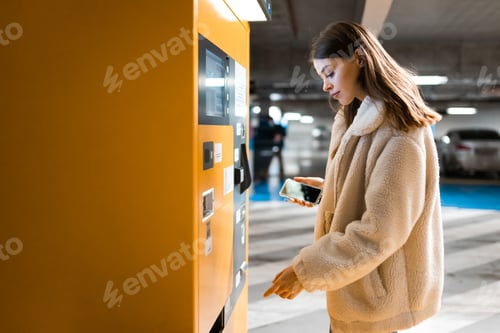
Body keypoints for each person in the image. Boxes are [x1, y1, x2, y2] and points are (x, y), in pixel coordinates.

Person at [263, 21, 444, 333]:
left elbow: (379, 231)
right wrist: (327, 193)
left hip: (375, 302)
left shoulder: (399, 133)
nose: (325, 85)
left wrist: (305, 271)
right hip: (360, 295)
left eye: (330, 72)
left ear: (359, 58)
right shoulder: (356, 120)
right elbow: (372, 196)